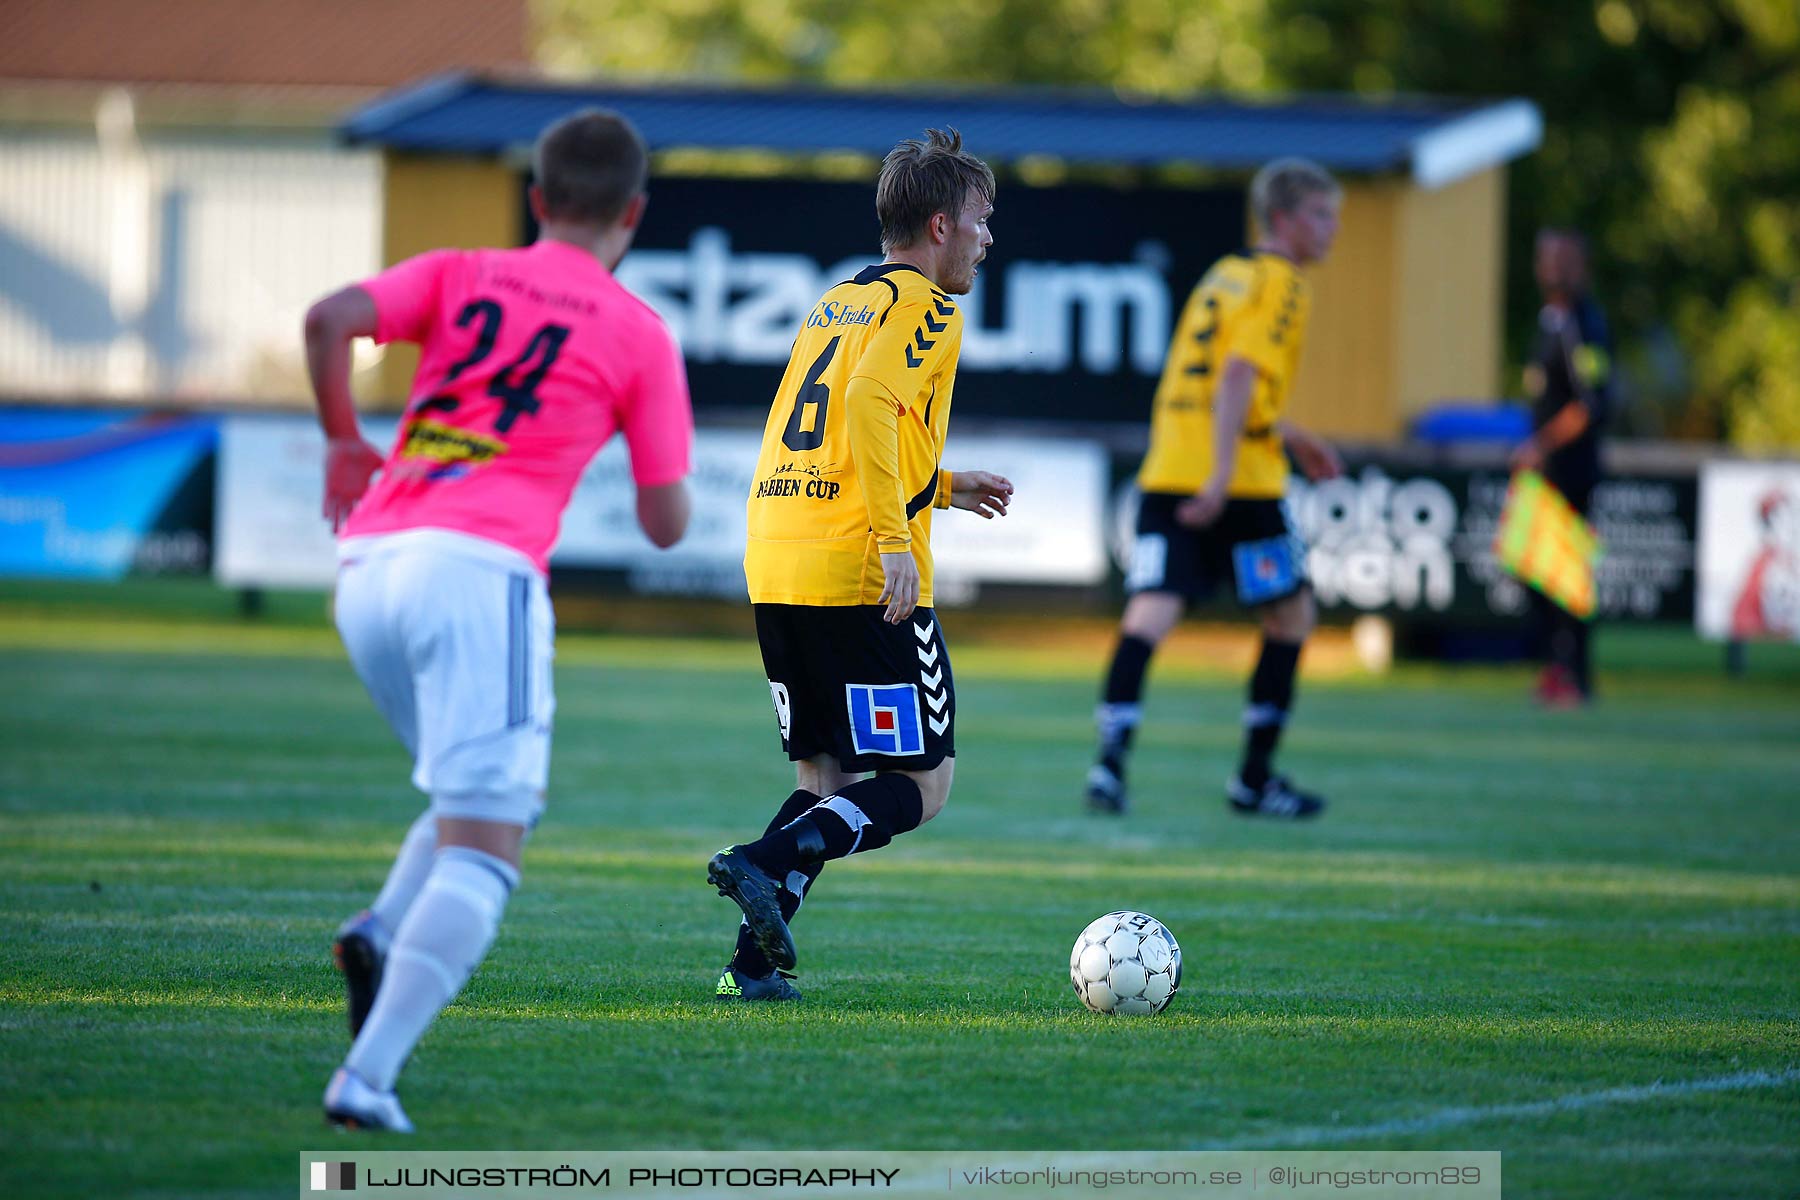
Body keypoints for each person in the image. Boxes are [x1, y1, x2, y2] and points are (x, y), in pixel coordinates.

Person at [303, 108, 693, 1129]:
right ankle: (367, 1078)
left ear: (537, 200)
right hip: (480, 574)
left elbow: (327, 318)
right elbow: (663, 524)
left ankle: (383, 932)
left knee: (473, 792)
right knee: (489, 839)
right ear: (634, 214)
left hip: (369, 564)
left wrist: (347, 441)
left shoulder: (460, 269)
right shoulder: (640, 334)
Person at [706, 128, 1014, 1001]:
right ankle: (762, 861)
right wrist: (893, 542)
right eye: (984, 221)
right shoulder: (926, 305)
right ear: (942, 224)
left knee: (825, 778)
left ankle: (752, 971)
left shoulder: (840, 299)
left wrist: (943, 485)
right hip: (860, 574)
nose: (990, 240)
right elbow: (874, 403)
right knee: (923, 782)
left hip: (780, 561)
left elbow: (842, 424)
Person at [1085, 158, 1343, 820]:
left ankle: (1109, 765)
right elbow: (1235, 379)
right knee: (1291, 616)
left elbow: (1217, 388)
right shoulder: (1282, 283)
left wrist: (1290, 432)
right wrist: (1225, 476)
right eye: (1320, 214)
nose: (1332, 228)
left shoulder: (1224, 276)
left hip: (1171, 468)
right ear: (1282, 218)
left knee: (1150, 614)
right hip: (1240, 483)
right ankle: (1254, 781)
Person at [1513, 228, 1613, 706]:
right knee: (1539, 575)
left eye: (1561, 259)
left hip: (1572, 469)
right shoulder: (1550, 320)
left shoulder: (1583, 324)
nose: (1551, 268)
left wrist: (1540, 444)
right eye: (1545, 258)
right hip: (1547, 471)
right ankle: (1557, 670)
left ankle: (1576, 676)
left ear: (1581, 267)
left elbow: (1591, 404)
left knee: (1569, 576)